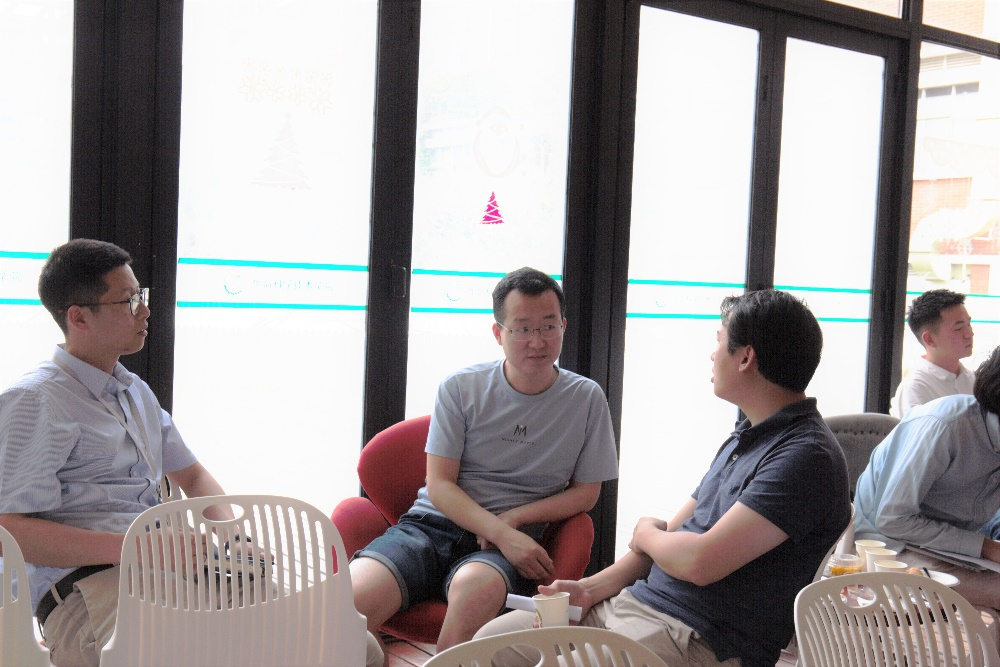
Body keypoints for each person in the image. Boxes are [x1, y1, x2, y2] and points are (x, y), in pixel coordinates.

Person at [0, 239, 384, 667]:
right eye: (129, 301)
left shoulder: (133, 391)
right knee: (213, 656)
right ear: (79, 318)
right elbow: (10, 530)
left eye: (141, 296)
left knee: (355, 647)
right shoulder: (36, 400)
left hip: (182, 573)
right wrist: (137, 548)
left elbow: (194, 477)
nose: (145, 311)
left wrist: (235, 540)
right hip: (93, 588)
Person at [475, 289, 851, 667]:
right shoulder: (748, 437)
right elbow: (673, 538)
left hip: (696, 638)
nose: (712, 354)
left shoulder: (806, 457)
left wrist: (646, 534)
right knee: (490, 644)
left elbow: (699, 561)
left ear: (745, 358)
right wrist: (589, 589)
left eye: (719, 342)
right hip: (636, 608)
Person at [349, 266, 619, 663]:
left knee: (472, 595)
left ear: (563, 326)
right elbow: (440, 485)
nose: (537, 341)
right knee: (344, 609)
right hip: (429, 527)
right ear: (498, 333)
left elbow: (586, 494)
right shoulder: (461, 387)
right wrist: (501, 530)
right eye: (522, 328)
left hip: (500, 552)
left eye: (548, 326)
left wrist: (514, 522)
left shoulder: (586, 398)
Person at [855, 345, 1000, 608]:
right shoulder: (944, 426)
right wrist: (985, 547)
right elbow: (893, 520)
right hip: (887, 548)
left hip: (953, 550)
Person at [890, 288, 975, 418]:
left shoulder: (973, 379)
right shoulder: (916, 388)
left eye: (968, 325)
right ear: (929, 339)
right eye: (958, 328)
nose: (969, 334)